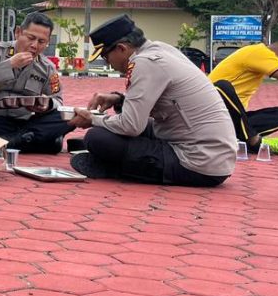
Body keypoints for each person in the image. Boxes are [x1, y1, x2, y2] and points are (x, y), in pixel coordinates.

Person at [67, 14, 237, 187]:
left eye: (105, 56)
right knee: (113, 132)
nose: (108, 64)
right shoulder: (161, 50)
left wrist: (92, 119)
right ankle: (119, 161)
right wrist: (119, 100)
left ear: (121, 48)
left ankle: (115, 168)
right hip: (212, 155)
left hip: (197, 163)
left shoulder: (145, 63)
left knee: (97, 138)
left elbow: (131, 125)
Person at [0, 12, 72, 154]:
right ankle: (37, 142)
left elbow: (58, 100)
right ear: (18, 32)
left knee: (67, 117)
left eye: (41, 42)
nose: (34, 45)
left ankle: (5, 142)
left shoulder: (47, 68)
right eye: (31, 38)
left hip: (25, 122)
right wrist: (9, 65)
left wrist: (48, 104)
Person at [208, 37, 278, 150]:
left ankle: (240, 138)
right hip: (211, 113)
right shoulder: (259, 53)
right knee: (223, 86)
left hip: (233, 118)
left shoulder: (260, 56)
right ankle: (254, 142)